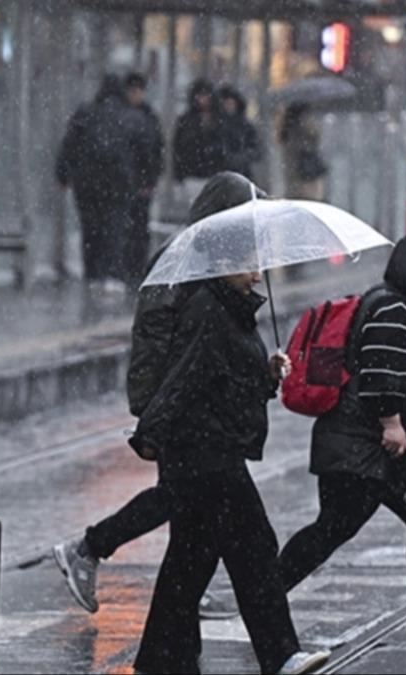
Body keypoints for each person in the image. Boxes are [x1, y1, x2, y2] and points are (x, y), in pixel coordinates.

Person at [53, 172, 266, 621]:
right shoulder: (186, 260)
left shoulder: (206, 258)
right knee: (184, 498)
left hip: (190, 403)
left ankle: (172, 591)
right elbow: (160, 337)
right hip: (181, 406)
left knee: (187, 502)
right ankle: (89, 548)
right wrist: (154, 407)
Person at [122, 216, 328, 675]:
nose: (258, 273)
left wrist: (266, 371)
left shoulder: (230, 308)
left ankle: (156, 658)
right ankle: (281, 655)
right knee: (255, 549)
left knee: (189, 561)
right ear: (220, 265)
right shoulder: (209, 312)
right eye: (247, 264)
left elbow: (226, 379)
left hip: (207, 451)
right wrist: (149, 432)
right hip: (205, 453)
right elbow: (185, 378)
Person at [276, 235, 406, 638]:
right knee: (344, 526)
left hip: (368, 448)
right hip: (368, 448)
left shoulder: (392, 304)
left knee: (402, 516)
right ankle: (264, 595)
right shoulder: (393, 309)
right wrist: (391, 422)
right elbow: (381, 373)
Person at [56, 75, 138, 292]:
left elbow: (69, 145)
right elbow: (144, 148)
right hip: (118, 183)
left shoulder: (85, 113)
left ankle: (92, 274)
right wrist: (143, 178)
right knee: (115, 228)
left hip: (87, 183)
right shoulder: (129, 115)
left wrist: (63, 175)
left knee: (91, 229)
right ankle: (112, 275)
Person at [124, 72, 165, 288]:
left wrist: (150, 179)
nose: (135, 95)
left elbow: (155, 151)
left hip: (140, 182)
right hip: (128, 182)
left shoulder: (147, 117)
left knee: (139, 227)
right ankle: (131, 268)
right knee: (131, 227)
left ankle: (137, 267)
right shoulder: (142, 117)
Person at [172, 79, 226, 203]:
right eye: (200, 95)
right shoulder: (186, 121)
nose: (203, 99)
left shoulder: (220, 120)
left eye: (206, 95)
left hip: (215, 173)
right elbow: (178, 149)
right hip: (192, 174)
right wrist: (179, 177)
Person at [279, 103, 327, 201]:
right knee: (311, 200)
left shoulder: (289, 131)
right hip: (305, 173)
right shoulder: (300, 132)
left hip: (300, 175)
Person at [216, 85, 262, 181]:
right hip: (219, 174)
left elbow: (257, 150)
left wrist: (240, 158)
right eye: (226, 103)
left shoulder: (245, 126)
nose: (228, 107)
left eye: (231, 103)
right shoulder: (216, 126)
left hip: (243, 174)